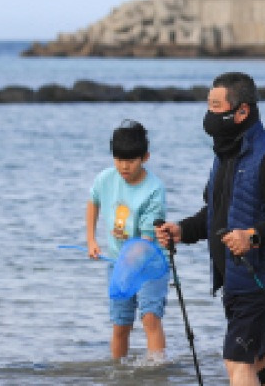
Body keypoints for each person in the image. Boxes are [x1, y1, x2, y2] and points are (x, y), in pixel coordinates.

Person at [156, 71, 265, 386]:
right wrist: (181, 230)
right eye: (208, 106)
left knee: (237, 360)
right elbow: (216, 214)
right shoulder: (226, 155)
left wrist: (251, 237)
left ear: (242, 111)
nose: (210, 115)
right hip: (238, 279)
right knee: (260, 363)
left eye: (216, 107)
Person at [86, 119, 169, 364]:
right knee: (120, 324)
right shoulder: (105, 179)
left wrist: (130, 266)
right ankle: (118, 372)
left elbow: (146, 237)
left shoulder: (154, 189)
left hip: (149, 265)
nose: (124, 166)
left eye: (131, 160)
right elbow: (93, 202)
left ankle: (156, 370)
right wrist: (91, 240)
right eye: (119, 159)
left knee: (150, 318)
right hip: (116, 262)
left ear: (145, 157)